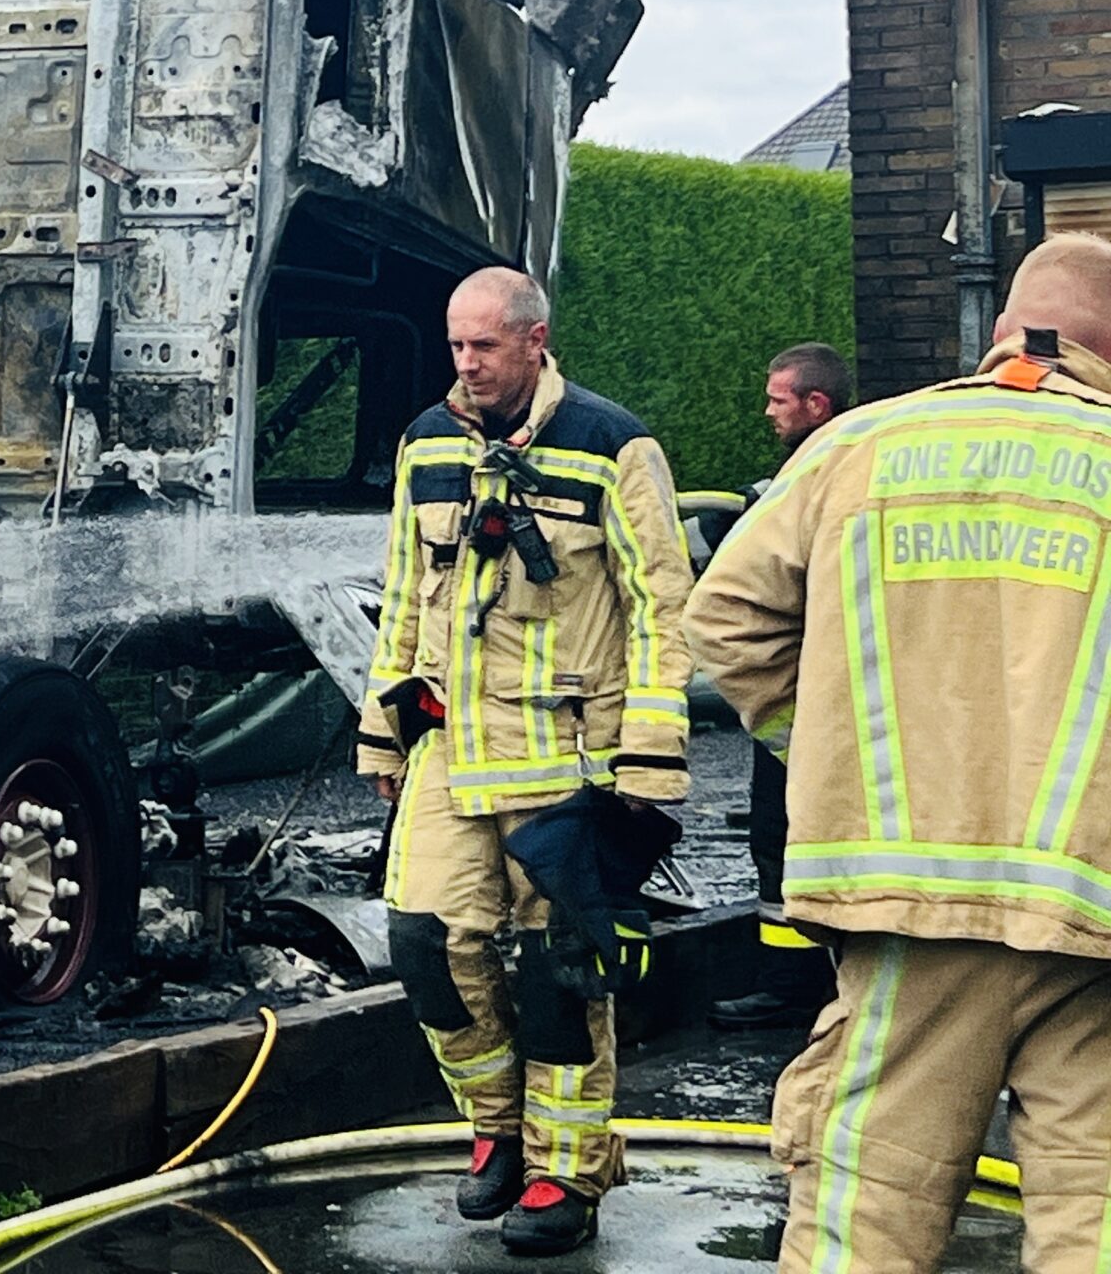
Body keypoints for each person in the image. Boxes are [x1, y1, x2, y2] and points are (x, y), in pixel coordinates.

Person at [687, 232, 1111, 1272]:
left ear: (1006, 327)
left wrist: (819, 742)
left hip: (898, 908)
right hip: (1092, 908)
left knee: (863, 1221)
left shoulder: (854, 446)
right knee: (1095, 1212)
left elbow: (725, 621)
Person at [360, 266, 695, 1255]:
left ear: (535, 340)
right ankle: (494, 1131)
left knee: (563, 975)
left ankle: (565, 1175)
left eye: (484, 348)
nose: (465, 365)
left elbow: (659, 610)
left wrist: (648, 763)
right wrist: (381, 732)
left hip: (566, 762)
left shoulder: (611, 446)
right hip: (449, 755)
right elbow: (402, 593)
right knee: (426, 946)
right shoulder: (425, 440)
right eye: (454, 346)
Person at [708, 342, 850, 1031]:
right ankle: (809, 983)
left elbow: (738, 607)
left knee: (788, 839)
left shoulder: (813, 479)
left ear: (814, 404)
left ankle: (795, 986)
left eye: (778, 400)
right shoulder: (843, 470)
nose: (767, 412)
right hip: (821, 692)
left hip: (801, 695)